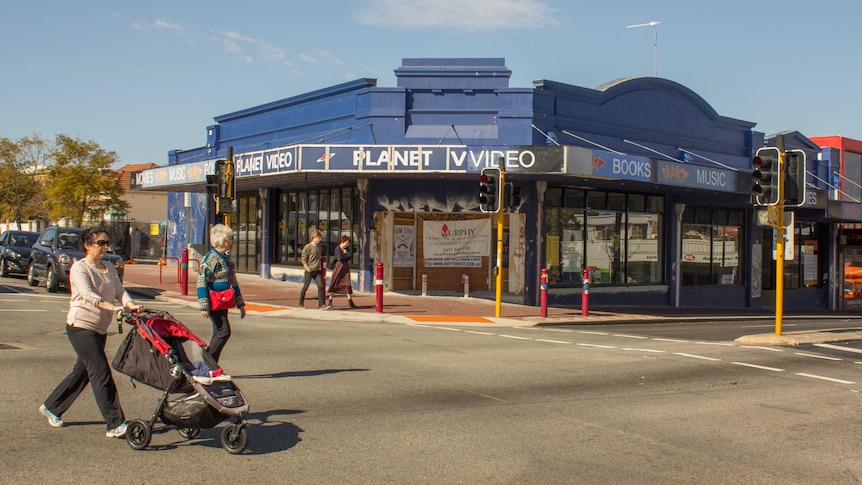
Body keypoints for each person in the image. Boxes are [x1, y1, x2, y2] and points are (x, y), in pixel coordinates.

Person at [40, 226, 142, 438]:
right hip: (80, 327)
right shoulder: (80, 268)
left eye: (106, 243)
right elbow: (87, 295)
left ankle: (51, 406)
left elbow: (120, 291)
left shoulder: (110, 268)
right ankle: (115, 423)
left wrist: (131, 304)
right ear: (87, 245)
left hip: (99, 328)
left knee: (83, 372)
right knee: (100, 371)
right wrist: (112, 307)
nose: (105, 247)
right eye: (100, 243)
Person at [197, 224, 246, 362]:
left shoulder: (227, 259)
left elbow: (233, 282)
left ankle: (211, 365)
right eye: (230, 239)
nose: (231, 242)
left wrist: (240, 303)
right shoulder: (210, 258)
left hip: (224, 300)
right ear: (224, 240)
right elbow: (202, 282)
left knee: (218, 332)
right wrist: (204, 306)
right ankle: (207, 362)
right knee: (224, 331)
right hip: (214, 300)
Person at [298, 229, 328, 309]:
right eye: (319, 238)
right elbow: (303, 259)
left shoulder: (319, 247)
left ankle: (322, 304)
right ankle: (301, 303)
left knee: (320, 286)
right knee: (306, 286)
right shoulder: (308, 247)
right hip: (310, 270)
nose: (320, 240)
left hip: (317, 270)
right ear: (314, 237)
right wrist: (307, 268)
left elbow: (319, 257)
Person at [327, 235, 357, 309]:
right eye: (346, 243)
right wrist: (345, 256)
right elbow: (340, 258)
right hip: (338, 267)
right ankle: (330, 301)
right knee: (335, 283)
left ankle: (350, 301)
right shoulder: (338, 248)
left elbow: (350, 256)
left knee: (347, 284)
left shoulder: (347, 249)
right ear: (342, 242)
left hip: (345, 268)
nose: (347, 245)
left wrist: (345, 255)